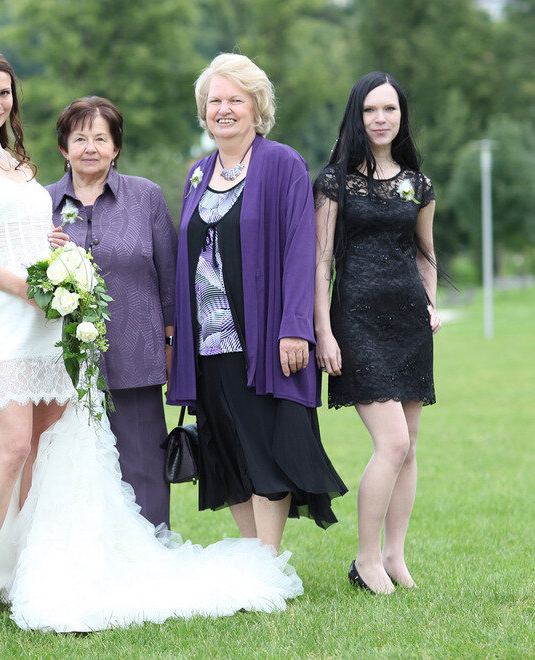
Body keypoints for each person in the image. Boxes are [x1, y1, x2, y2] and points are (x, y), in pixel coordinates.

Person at [0, 46, 303, 633]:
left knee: (41, 446)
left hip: (44, 319)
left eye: (3, 92)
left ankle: (21, 564)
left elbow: (12, 229)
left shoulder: (16, 160)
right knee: (12, 447)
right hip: (5, 313)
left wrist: (52, 252)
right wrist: (21, 284)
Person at [168, 53, 347, 552]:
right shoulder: (198, 173)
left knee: (266, 447)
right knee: (227, 447)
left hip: (263, 336)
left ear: (257, 107)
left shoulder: (283, 164)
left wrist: (296, 327)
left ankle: (268, 559)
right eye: (215, 101)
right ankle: (253, 558)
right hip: (209, 341)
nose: (223, 109)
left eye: (236, 100)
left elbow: (300, 249)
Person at [313, 72, 439, 595]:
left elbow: (425, 255)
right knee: (392, 442)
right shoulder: (334, 181)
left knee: (410, 445)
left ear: (401, 116)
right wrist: (323, 331)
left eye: (389, 109)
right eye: (370, 110)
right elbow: (321, 262)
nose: (380, 119)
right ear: (356, 116)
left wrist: (431, 305)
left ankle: (394, 555)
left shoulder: (418, 185)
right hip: (356, 321)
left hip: (409, 323)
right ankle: (365, 560)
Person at [46, 96, 177, 529]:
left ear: (116, 147)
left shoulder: (146, 197)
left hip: (136, 353)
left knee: (143, 462)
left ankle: (151, 547)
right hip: (61, 361)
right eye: (79, 139)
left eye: (101, 138)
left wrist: (172, 346)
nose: (90, 148)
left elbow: (170, 279)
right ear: (64, 147)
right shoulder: (41, 203)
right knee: (68, 466)